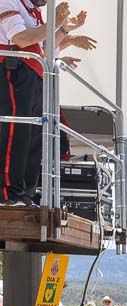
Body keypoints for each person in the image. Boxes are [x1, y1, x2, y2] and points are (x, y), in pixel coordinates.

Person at [0, 0, 91, 204]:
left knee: (33, 137)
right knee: (16, 133)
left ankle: (25, 193)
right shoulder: (9, 1)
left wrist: (64, 29)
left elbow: (45, 48)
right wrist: (54, 24)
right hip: (14, 71)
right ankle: (7, 192)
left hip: (34, 76)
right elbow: (21, 39)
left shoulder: (32, 12)